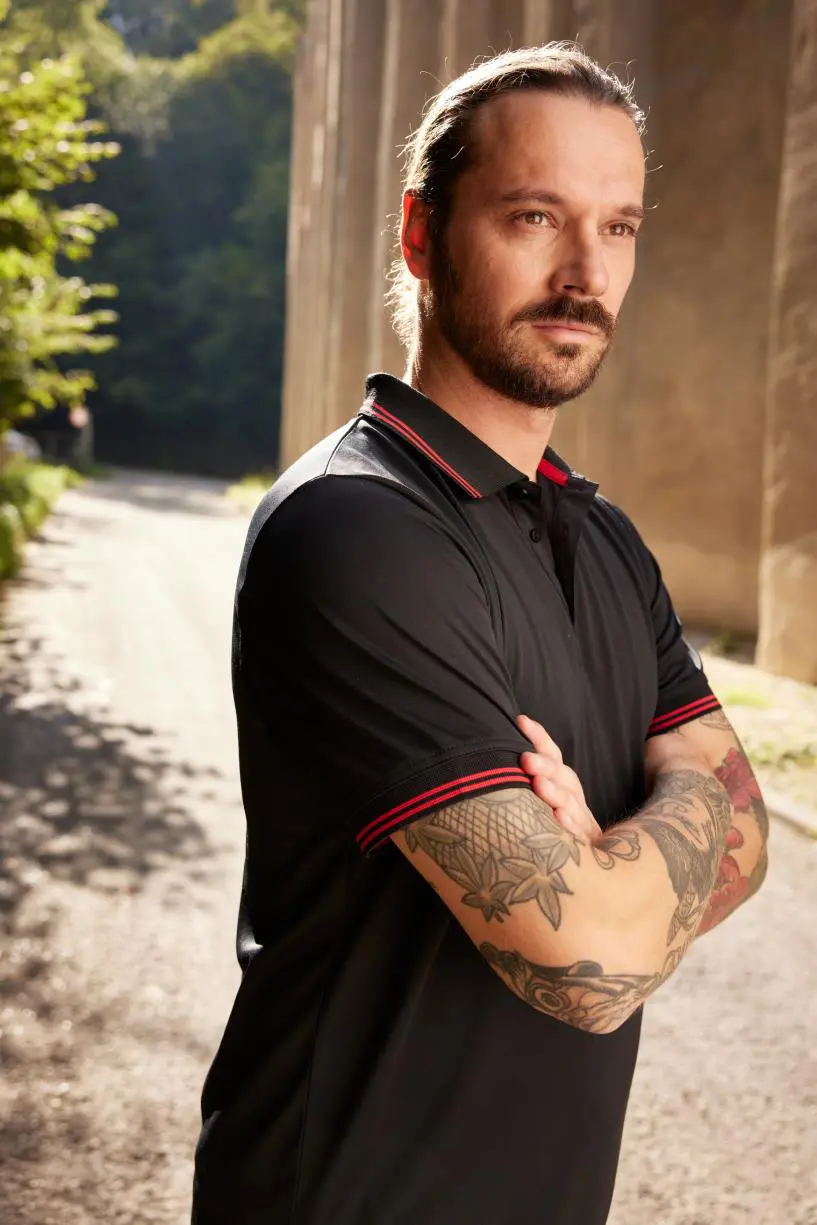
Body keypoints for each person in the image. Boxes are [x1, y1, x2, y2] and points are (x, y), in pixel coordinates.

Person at [192, 43, 770, 1225]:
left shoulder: (602, 538)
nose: (584, 273)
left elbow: (754, 835)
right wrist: (667, 823)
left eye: (618, 227)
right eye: (533, 216)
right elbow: (589, 965)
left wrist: (616, 853)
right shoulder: (353, 527)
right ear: (420, 235)